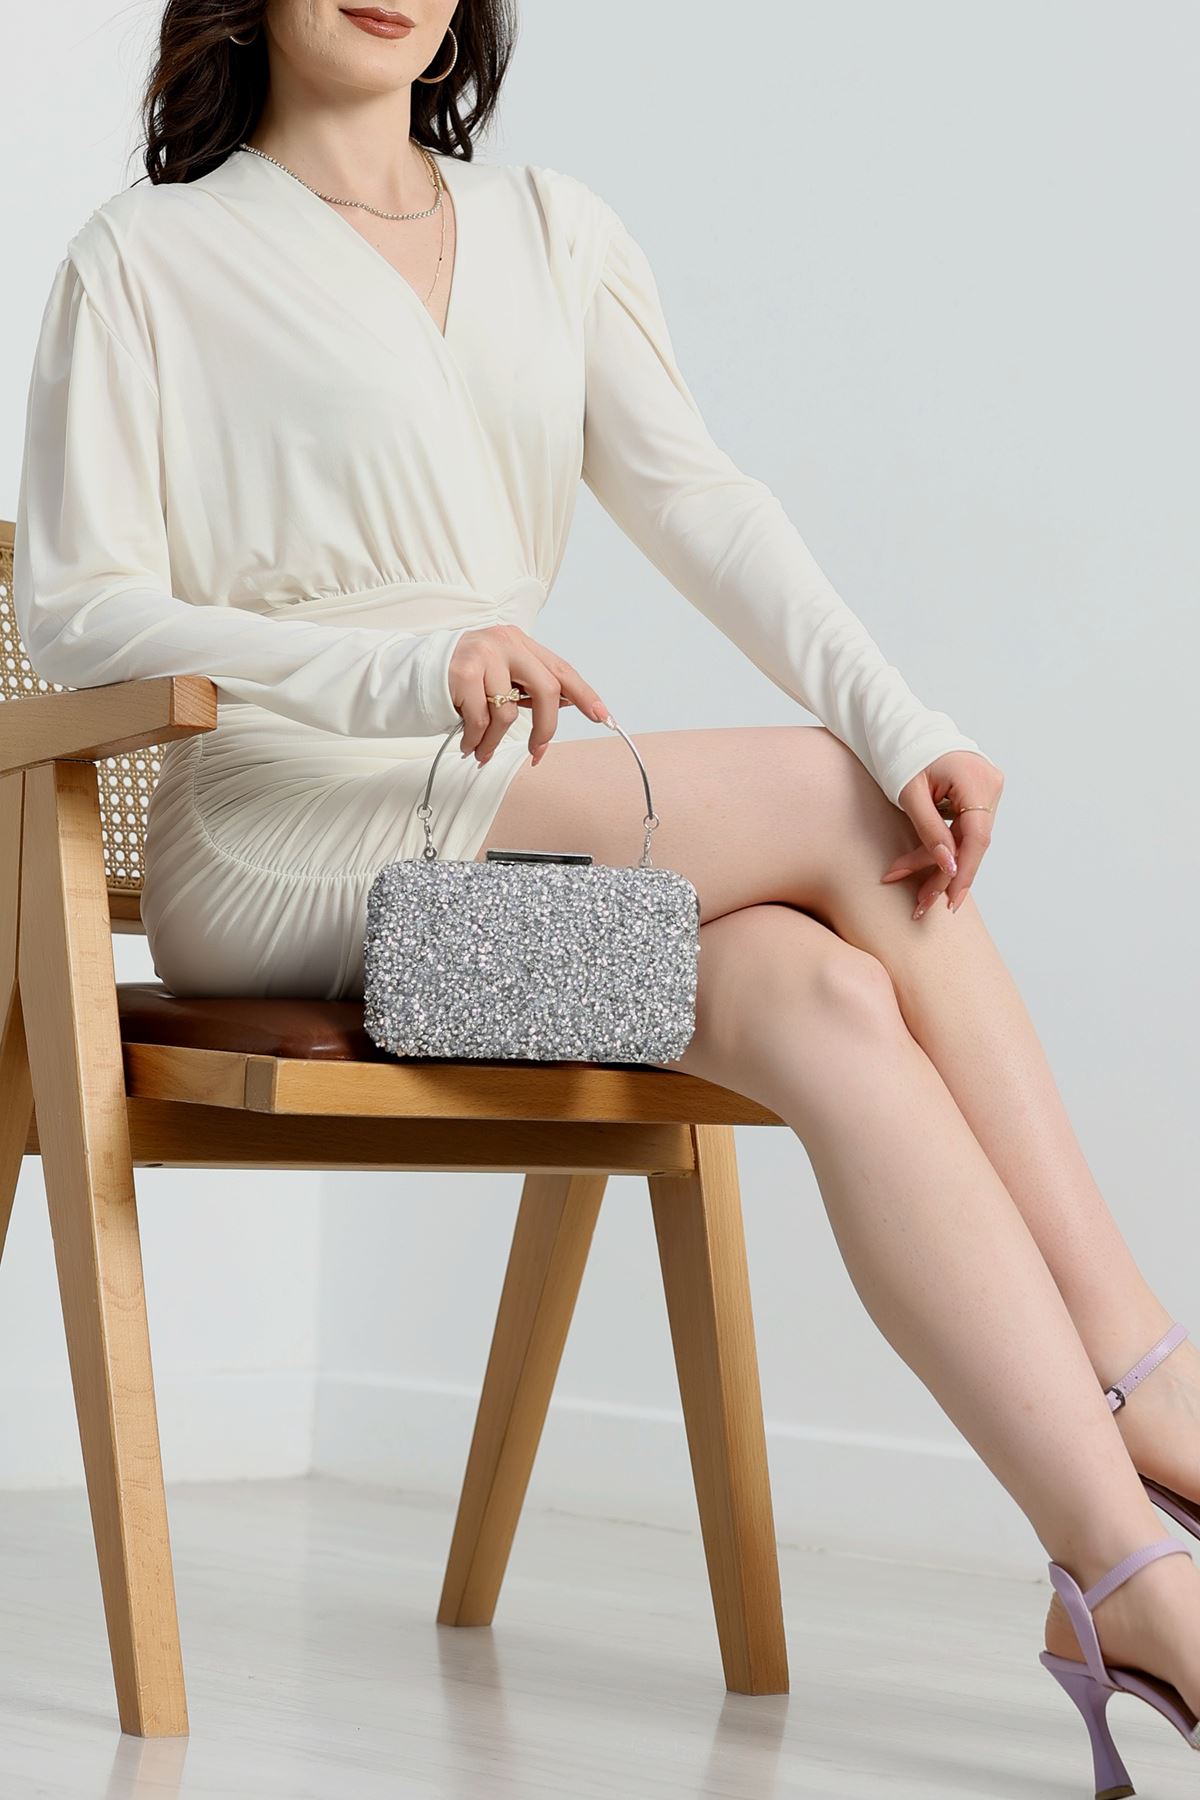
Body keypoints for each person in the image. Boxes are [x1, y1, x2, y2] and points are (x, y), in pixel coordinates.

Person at [12, 1, 1200, 1779]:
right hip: (278, 845)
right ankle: (1149, 1377)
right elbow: (80, 610)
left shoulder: (553, 233)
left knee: (819, 991)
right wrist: (401, 668)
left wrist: (914, 721)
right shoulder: (148, 257)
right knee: (833, 804)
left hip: (475, 894)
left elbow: (705, 506)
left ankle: (1121, 1575)